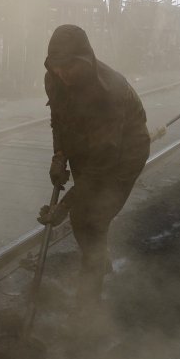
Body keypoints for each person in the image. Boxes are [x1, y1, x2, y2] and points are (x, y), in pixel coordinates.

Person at [37, 25, 150, 307]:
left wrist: (63, 205)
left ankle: (88, 302)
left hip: (124, 153)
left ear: (85, 60)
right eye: (57, 67)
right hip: (83, 146)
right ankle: (98, 260)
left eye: (69, 67)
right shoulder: (54, 79)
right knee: (81, 218)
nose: (63, 74)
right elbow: (59, 121)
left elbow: (103, 164)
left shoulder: (110, 92)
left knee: (95, 218)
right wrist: (59, 155)